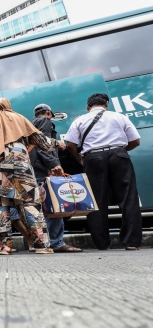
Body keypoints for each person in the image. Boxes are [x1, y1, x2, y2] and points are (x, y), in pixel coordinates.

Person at [0, 98, 58, 255]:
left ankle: (5, 247)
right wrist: (58, 144)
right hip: (18, 160)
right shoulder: (18, 117)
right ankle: (41, 245)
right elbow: (41, 141)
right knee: (30, 203)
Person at [65, 93, 142, 250]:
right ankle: (131, 242)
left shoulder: (79, 120)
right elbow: (136, 140)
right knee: (128, 198)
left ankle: (102, 243)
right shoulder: (119, 117)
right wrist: (120, 151)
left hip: (93, 158)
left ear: (88, 107)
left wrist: (79, 158)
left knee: (96, 200)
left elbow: (70, 144)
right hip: (118, 154)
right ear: (106, 104)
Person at [30, 104, 82, 253]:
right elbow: (43, 145)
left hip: (36, 170)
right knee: (54, 206)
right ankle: (56, 242)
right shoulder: (44, 121)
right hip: (43, 169)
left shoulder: (32, 124)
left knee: (42, 209)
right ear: (47, 112)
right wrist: (54, 164)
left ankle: (45, 242)